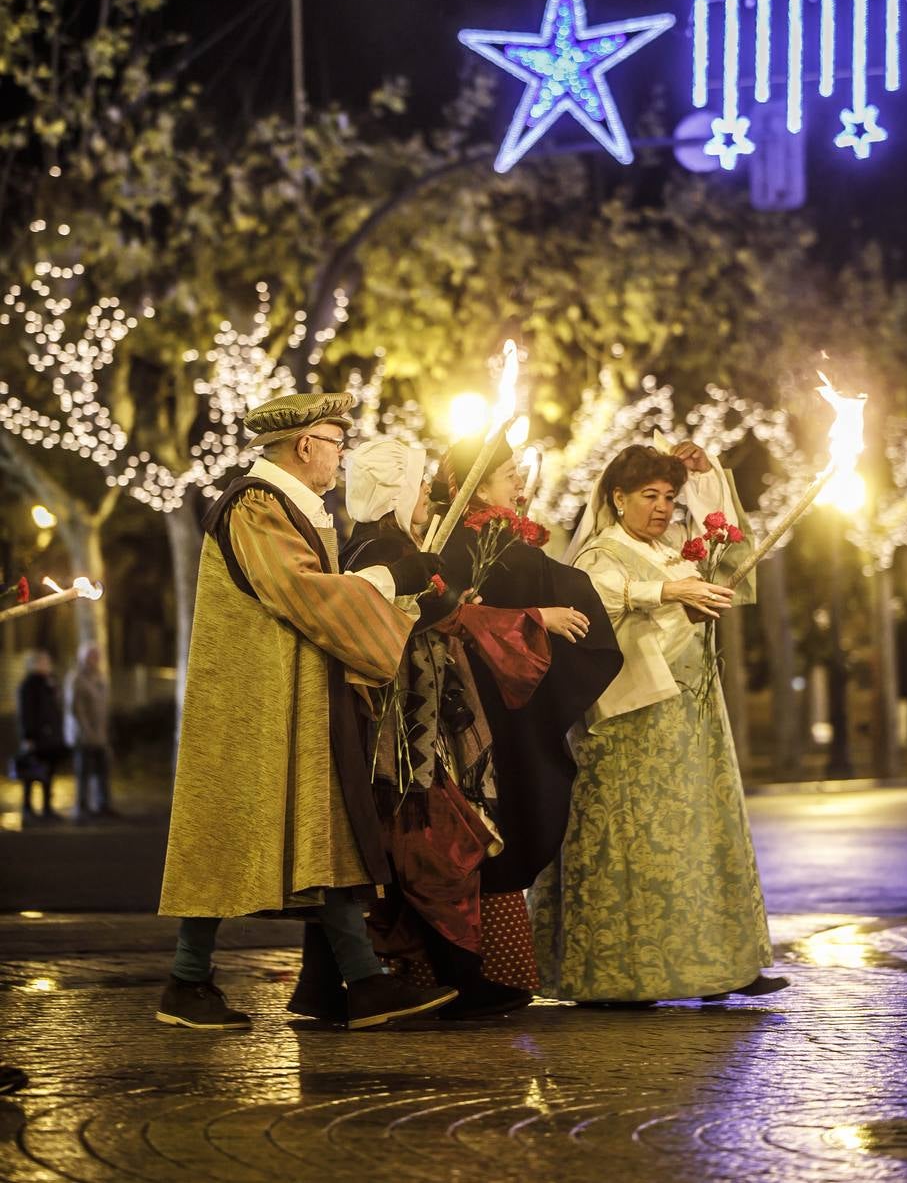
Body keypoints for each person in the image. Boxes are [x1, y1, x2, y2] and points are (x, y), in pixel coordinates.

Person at [157, 392, 457, 1031]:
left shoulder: (291, 505)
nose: (340, 455)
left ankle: (363, 983)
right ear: (303, 446)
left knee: (322, 831)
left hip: (290, 693)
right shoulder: (255, 505)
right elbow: (300, 590)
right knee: (224, 832)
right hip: (250, 703)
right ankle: (185, 984)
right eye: (334, 443)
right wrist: (389, 579)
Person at [529, 440, 788, 1004]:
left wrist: (711, 475)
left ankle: (722, 965)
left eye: (670, 497)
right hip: (631, 726)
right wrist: (667, 592)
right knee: (639, 847)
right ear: (617, 497)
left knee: (704, 838)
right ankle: (623, 976)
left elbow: (733, 578)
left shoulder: (676, 551)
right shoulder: (603, 553)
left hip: (692, 717)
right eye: (650, 495)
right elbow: (596, 599)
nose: (663, 508)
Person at [319, 436, 557, 1017]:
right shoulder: (382, 548)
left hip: (417, 722)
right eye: (418, 484)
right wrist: (530, 618)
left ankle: (341, 984)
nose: (426, 492)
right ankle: (460, 978)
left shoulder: (387, 543)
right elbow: (428, 612)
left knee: (413, 852)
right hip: (404, 736)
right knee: (435, 848)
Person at [434, 434, 623, 992]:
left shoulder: (490, 537)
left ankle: (494, 972)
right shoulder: (460, 540)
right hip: (474, 711)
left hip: (505, 707)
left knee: (501, 821)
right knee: (486, 821)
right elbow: (457, 612)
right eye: (509, 472)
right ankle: (471, 974)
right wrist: (537, 615)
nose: (520, 481)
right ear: (476, 482)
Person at [64, 643, 115, 821]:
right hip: (83, 735)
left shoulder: (99, 677)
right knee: (83, 772)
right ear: (83, 658)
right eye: (92, 656)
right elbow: (76, 709)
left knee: (102, 770)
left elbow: (102, 706)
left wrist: (103, 731)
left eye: (97, 655)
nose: (95, 659)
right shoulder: (77, 678)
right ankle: (81, 807)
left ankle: (103, 805)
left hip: (100, 734)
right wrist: (87, 731)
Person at [16, 650, 66, 825]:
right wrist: (28, 736)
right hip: (36, 738)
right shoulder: (28, 685)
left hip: (51, 738)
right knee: (30, 774)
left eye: (47, 662)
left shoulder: (50, 683)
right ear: (34, 664)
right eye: (43, 662)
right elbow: (26, 713)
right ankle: (27, 808)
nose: (47, 665)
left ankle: (47, 807)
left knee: (48, 773)